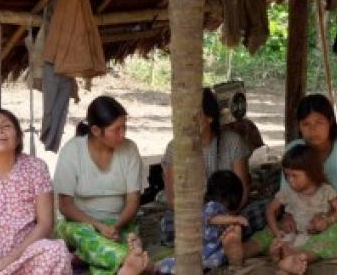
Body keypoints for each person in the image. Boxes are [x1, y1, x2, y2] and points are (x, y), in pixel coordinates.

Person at [244, 94, 337, 257]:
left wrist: (327, 220)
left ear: (330, 122)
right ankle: (242, 250)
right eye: (306, 124)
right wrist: (288, 217)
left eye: (319, 122)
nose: (312, 130)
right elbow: (286, 195)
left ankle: (300, 256)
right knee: (276, 230)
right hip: (298, 215)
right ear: (299, 126)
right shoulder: (294, 150)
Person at [0, 108, 71, 274]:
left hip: (25, 252)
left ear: (17, 139)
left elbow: (45, 224)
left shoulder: (36, 168)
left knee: (55, 252)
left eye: (6, 126)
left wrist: (11, 258)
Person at [160, 88, 266, 245]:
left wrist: (228, 216)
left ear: (209, 117)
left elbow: (243, 190)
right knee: (168, 224)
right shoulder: (175, 148)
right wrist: (208, 218)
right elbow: (172, 199)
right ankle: (225, 238)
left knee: (261, 210)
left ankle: (214, 238)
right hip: (194, 216)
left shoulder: (232, 142)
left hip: (230, 211)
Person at [54, 96, 143, 274]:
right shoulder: (72, 151)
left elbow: (133, 200)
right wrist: (98, 226)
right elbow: (65, 205)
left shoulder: (130, 149)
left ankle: (92, 259)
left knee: (129, 238)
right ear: (95, 130)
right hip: (81, 224)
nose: (123, 134)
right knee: (85, 237)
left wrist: (115, 227)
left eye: (124, 127)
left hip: (119, 223)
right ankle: (135, 263)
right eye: (116, 129)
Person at [117, 171, 250, 275]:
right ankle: (146, 267)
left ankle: (148, 267)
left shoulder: (223, 213)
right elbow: (210, 218)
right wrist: (234, 219)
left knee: (177, 266)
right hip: (204, 252)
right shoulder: (213, 207)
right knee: (176, 266)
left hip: (211, 253)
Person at [266, 145, 337, 274]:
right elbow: (270, 210)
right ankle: (281, 256)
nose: (290, 180)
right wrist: (276, 231)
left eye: (295, 175)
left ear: (311, 172)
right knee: (273, 239)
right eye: (287, 175)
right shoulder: (287, 192)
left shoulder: (325, 190)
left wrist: (328, 221)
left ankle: (292, 258)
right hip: (294, 235)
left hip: (318, 236)